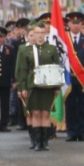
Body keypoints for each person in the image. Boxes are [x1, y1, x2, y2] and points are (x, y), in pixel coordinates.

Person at [15, 22, 62, 152]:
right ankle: (36, 141)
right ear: (33, 34)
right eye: (37, 33)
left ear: (45, 34)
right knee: (35, 112)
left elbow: (57, 68)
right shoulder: (26, 50)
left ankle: (44, 141)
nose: (40, 36)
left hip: (47, 85)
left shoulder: (51, 49)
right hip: (33, 85)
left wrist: (57, 87)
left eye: (42, 33)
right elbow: (22, 70)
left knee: (45, 113)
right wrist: (22, 87)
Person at [64, 12, 84, 142]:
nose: (75, 26)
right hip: (69, 78)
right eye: (73, 23)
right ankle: (71, 132)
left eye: (78, 23)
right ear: (69, 24)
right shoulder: (64, 40)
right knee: (70, 106)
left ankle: (83, 132)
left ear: (81, 24)